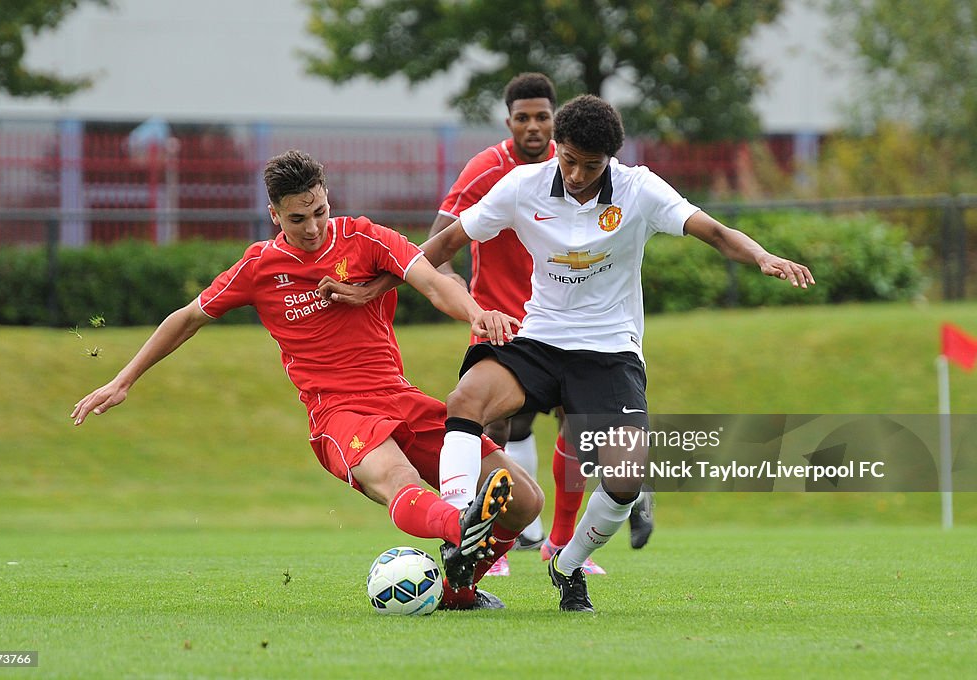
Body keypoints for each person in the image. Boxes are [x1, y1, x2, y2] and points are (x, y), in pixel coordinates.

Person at [337, 94, 814, 612]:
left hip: (610, 350)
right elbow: (447, 241)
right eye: (569, 160)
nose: (579, 174)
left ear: (611, 157)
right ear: (557, 149)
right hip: (540, 338)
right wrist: (380, 285)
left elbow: (715, 233)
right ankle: (458, 532)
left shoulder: (640, 189)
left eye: (592, 165)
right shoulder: (523, 185)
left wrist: (763, 256)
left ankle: (567, 563)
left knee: (626, 476)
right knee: (465, 399)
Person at [70, 149, 544, 611]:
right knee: (398, 479)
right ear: (274, 214)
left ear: (327, 198)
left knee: (524, 500)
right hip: (338, 414)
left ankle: (458, 591)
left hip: (399, 396)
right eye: (298, 219)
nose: (313, 227)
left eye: (319, 211)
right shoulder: (258, 267)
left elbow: (435, 282)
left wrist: (476, 313)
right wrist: (123, 380)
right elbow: (187, 317)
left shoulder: (366, 238)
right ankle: (462, 526)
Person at [426, 72, 638, 577]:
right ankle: (487, 537)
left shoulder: (576, 170)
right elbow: (439, 247)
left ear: (555, 118)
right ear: (509, 122)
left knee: (580, 426)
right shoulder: (490, 170)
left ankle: (556, 546)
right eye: (523, 118)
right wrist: (465, 301)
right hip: (499, 317)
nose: (534, 126)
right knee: (494, 422)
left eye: (542, 116)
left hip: (560, 322)